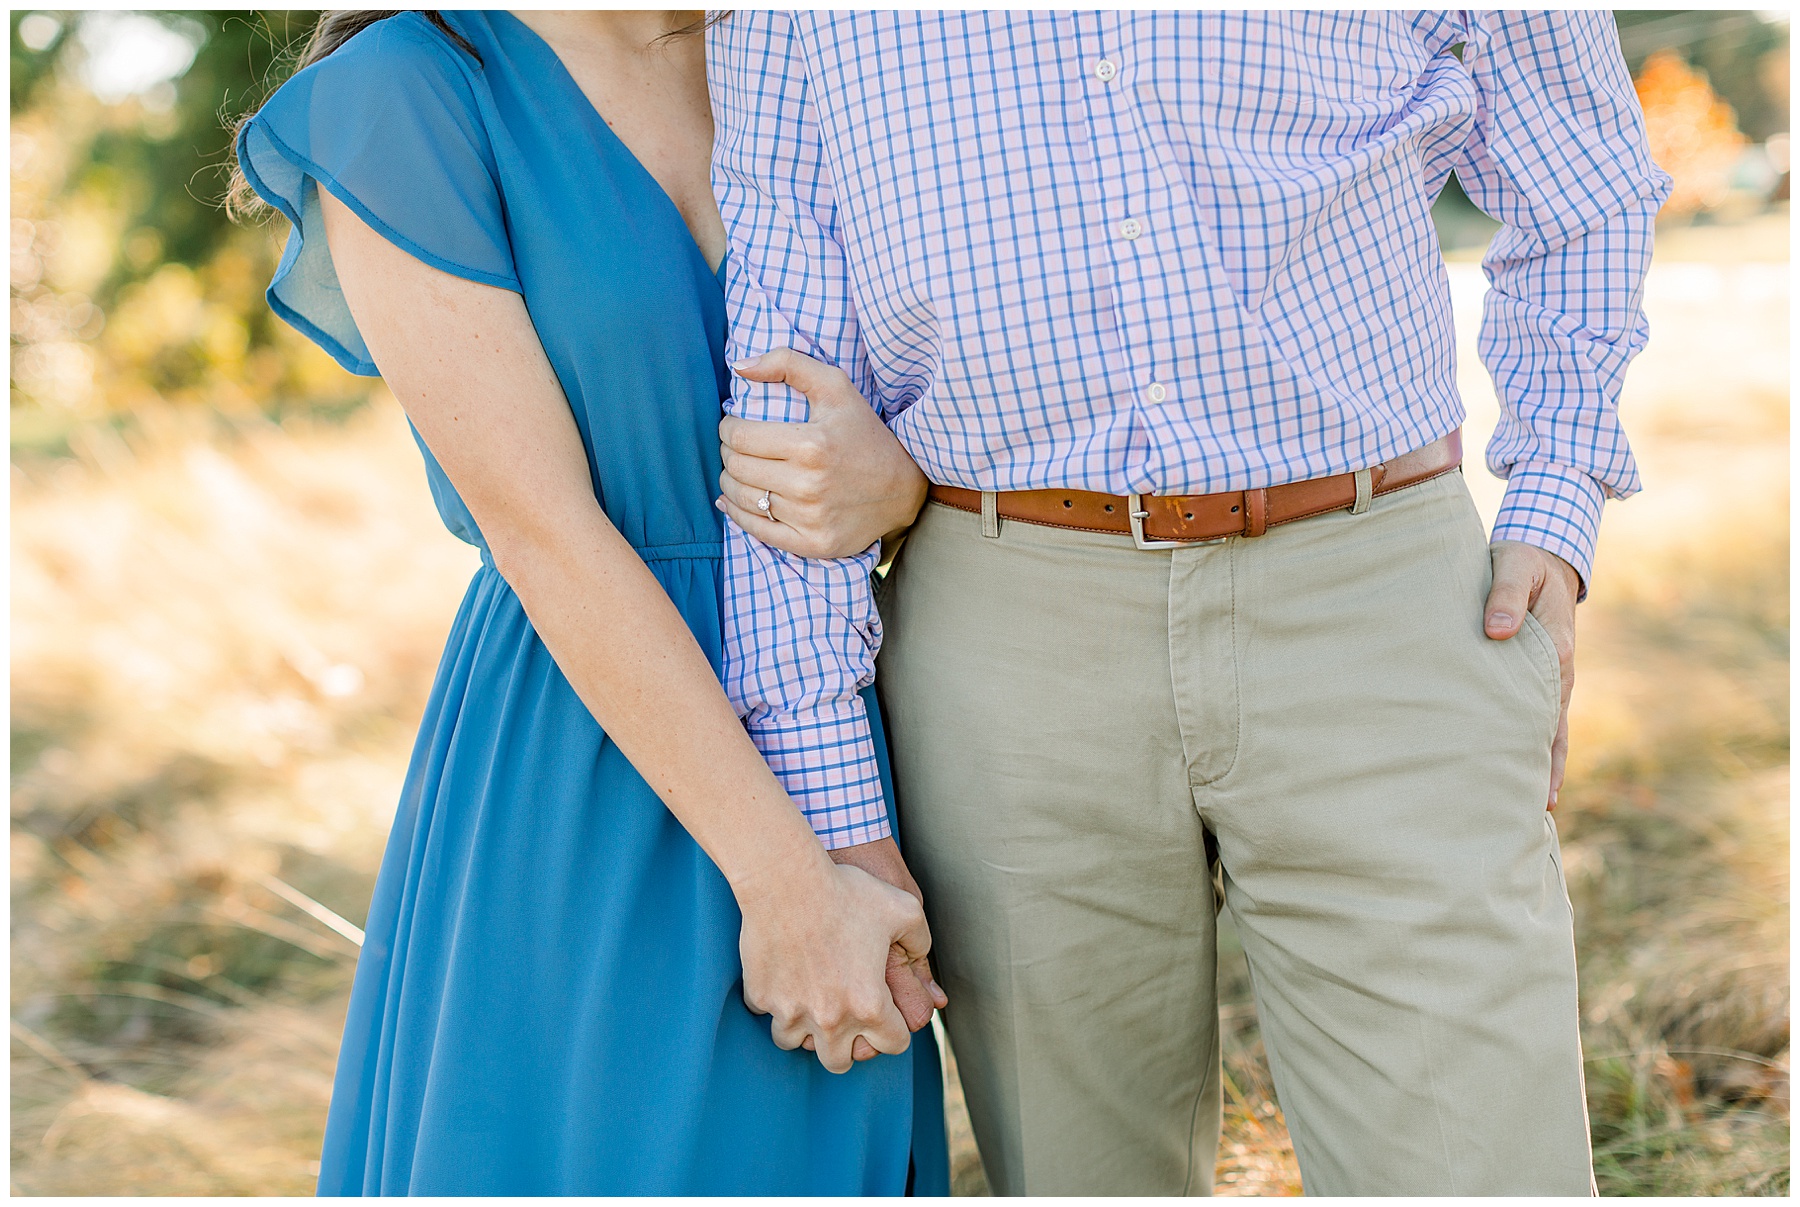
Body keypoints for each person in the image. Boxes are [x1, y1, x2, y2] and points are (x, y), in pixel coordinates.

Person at [709, 11, 1672, 1196]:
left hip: (1382, 600)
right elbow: (783, 382)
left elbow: (1582, 178)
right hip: (1003, 628)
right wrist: (836, 812)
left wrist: (1558, 505)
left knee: (1480, 1167)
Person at [229, 9, 948, 1195]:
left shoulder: (805, 49)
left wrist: (907, 478)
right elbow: (544, 532)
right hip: (591, 755)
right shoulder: (406, 95)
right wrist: (788, 885)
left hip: (848, 731)